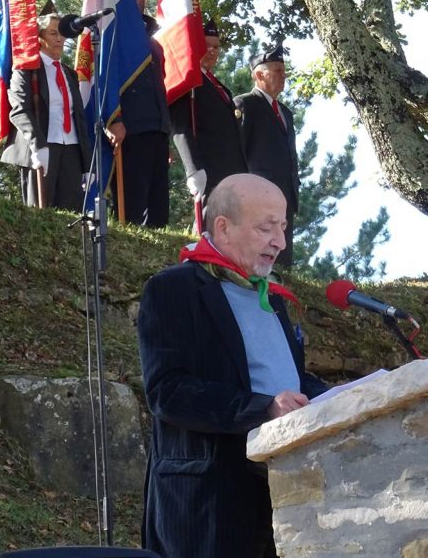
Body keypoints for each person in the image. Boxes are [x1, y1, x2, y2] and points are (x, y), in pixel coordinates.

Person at [138, 173, 326, 558]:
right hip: (209, 505)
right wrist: (264, 408)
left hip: (283, 495)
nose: (280, 241)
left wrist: (350, 395)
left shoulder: (270, 297)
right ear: (223, 228)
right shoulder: (174, 289)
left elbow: (285, 380)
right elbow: (168, 392)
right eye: (266, 227)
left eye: (284, 227)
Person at [0, 13, 90, 211]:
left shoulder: (69, 73)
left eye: (62, 34)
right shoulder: (26, 69)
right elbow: (19, 111)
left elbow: (79, 117)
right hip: (42, 147)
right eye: (52, 33)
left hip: (71, 148)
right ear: (40, 37)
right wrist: (37, 146)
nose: (59, 39)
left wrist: (86, 162)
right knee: (40, 213)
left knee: (71, 214)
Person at [105, 0, 171, 227]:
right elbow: (106, 79)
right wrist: (115, 119)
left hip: (157, 127)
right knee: (131, 206)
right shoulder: (113, 31)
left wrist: (165, 127)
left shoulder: (153, 41)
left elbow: (159, 86)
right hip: (130, 127)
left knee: (159, 208)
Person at [169, 19, 248, 220]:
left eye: (216, 46)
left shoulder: (220, 87)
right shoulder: (189, 82)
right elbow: (180, 127)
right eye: (207, 45)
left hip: (232, 170)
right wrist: (193, 168)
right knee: (210, 225)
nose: (212, 51)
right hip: (208, 167)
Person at [234, 45, 299, 267]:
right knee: (257, 250)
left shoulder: (285, 113)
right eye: (277, 71)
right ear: (259, 74)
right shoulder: (245, 104)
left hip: (285, 193)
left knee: (281, 254)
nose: (284, 76)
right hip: (258, 191)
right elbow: (237, 149)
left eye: (284, 70)